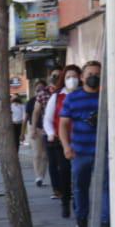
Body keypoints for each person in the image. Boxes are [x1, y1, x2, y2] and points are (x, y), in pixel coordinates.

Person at [59, 61, 109, 227]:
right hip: (80, 151)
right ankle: (81, 218)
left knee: (106, 186)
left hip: (104, 151)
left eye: (97, 74)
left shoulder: (107, 97)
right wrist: (66, 147)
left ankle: (105, 221)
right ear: (82, 77)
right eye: (89, 74)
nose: (93, 77)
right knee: (80, 186)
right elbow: (63, 124)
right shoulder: (72, 98)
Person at [45, 66, 79, 218]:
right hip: (62, 141)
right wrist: (51, 133)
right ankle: (65, 202)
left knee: (79, 173)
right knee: (64, 172)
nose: (72, 80)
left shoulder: (86, 94)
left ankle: (78, 202)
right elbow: (47, 119)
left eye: (75, 76)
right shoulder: (57, 96)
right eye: (68, 77)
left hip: (82, 140)